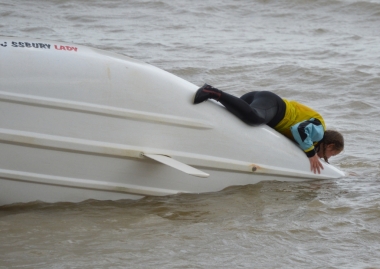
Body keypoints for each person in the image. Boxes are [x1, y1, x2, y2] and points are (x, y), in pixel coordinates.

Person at [193, 84, 344, 174]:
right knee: (254, 119)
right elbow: (299, 129)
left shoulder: (311, 141)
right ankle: (212, 92)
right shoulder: (318, 132)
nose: (328, 158)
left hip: (259, 101)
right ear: (329, 145)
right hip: (273, 105)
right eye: (332, 154)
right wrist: (311, 155)